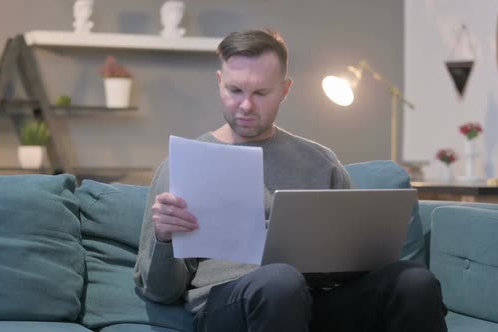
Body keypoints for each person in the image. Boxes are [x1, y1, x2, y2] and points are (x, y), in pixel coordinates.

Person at [134, 29, 448, 331]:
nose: (245, 105)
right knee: (279, 281)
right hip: (230, 306)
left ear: (285, 90)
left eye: (261, 93)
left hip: (316, 301)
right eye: (235, 90)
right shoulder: (185, 164)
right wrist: (164, 240)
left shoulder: (320, 161)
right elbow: (160, 292)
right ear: (220, 82)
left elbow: (356, 265)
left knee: (413, 281)